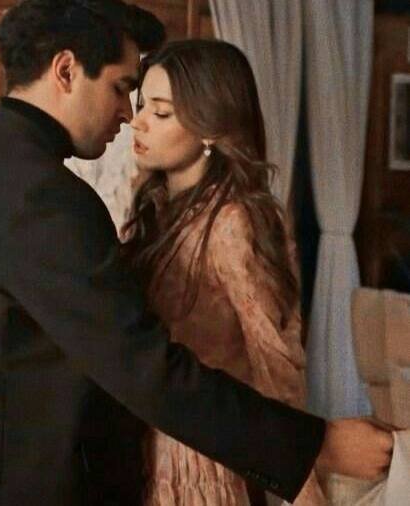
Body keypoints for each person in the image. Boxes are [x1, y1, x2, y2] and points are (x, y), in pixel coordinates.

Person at [0, 1, 393, 505]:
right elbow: (145, 367)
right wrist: (318, 445)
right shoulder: (41, 199)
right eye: (121, 88)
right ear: (66, 71)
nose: (127, 115)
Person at [121, 39, 326, 505]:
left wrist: (301, 485)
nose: (138, 121)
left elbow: (276, 363)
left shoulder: (234, 221)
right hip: (140, 452)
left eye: (161, 112)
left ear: (210, 128)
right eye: (141, 105)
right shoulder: (156, 209)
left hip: (197, 468)